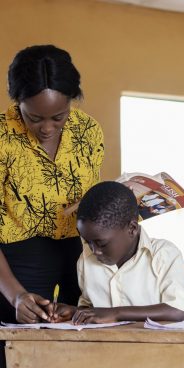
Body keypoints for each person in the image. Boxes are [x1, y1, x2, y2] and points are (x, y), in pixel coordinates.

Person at [0, 45, 104, 325]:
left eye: (59, 117)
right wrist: (16, 295)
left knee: (79, 347)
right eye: (34, 117)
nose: (47, 128)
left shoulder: (87, 131)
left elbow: (88, 198)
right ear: (17, 100)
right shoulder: (2, 137)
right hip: (14, 264)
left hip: (80, 256)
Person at [52, 181, 184, 324]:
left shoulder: (164, 254)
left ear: (132, 228)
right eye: (88, 242)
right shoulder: (85, 260)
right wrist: (75, 312)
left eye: (102, 243)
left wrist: (116, 314)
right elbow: (91, 308)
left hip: (153, 345)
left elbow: (178, 311)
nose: (95, 251)